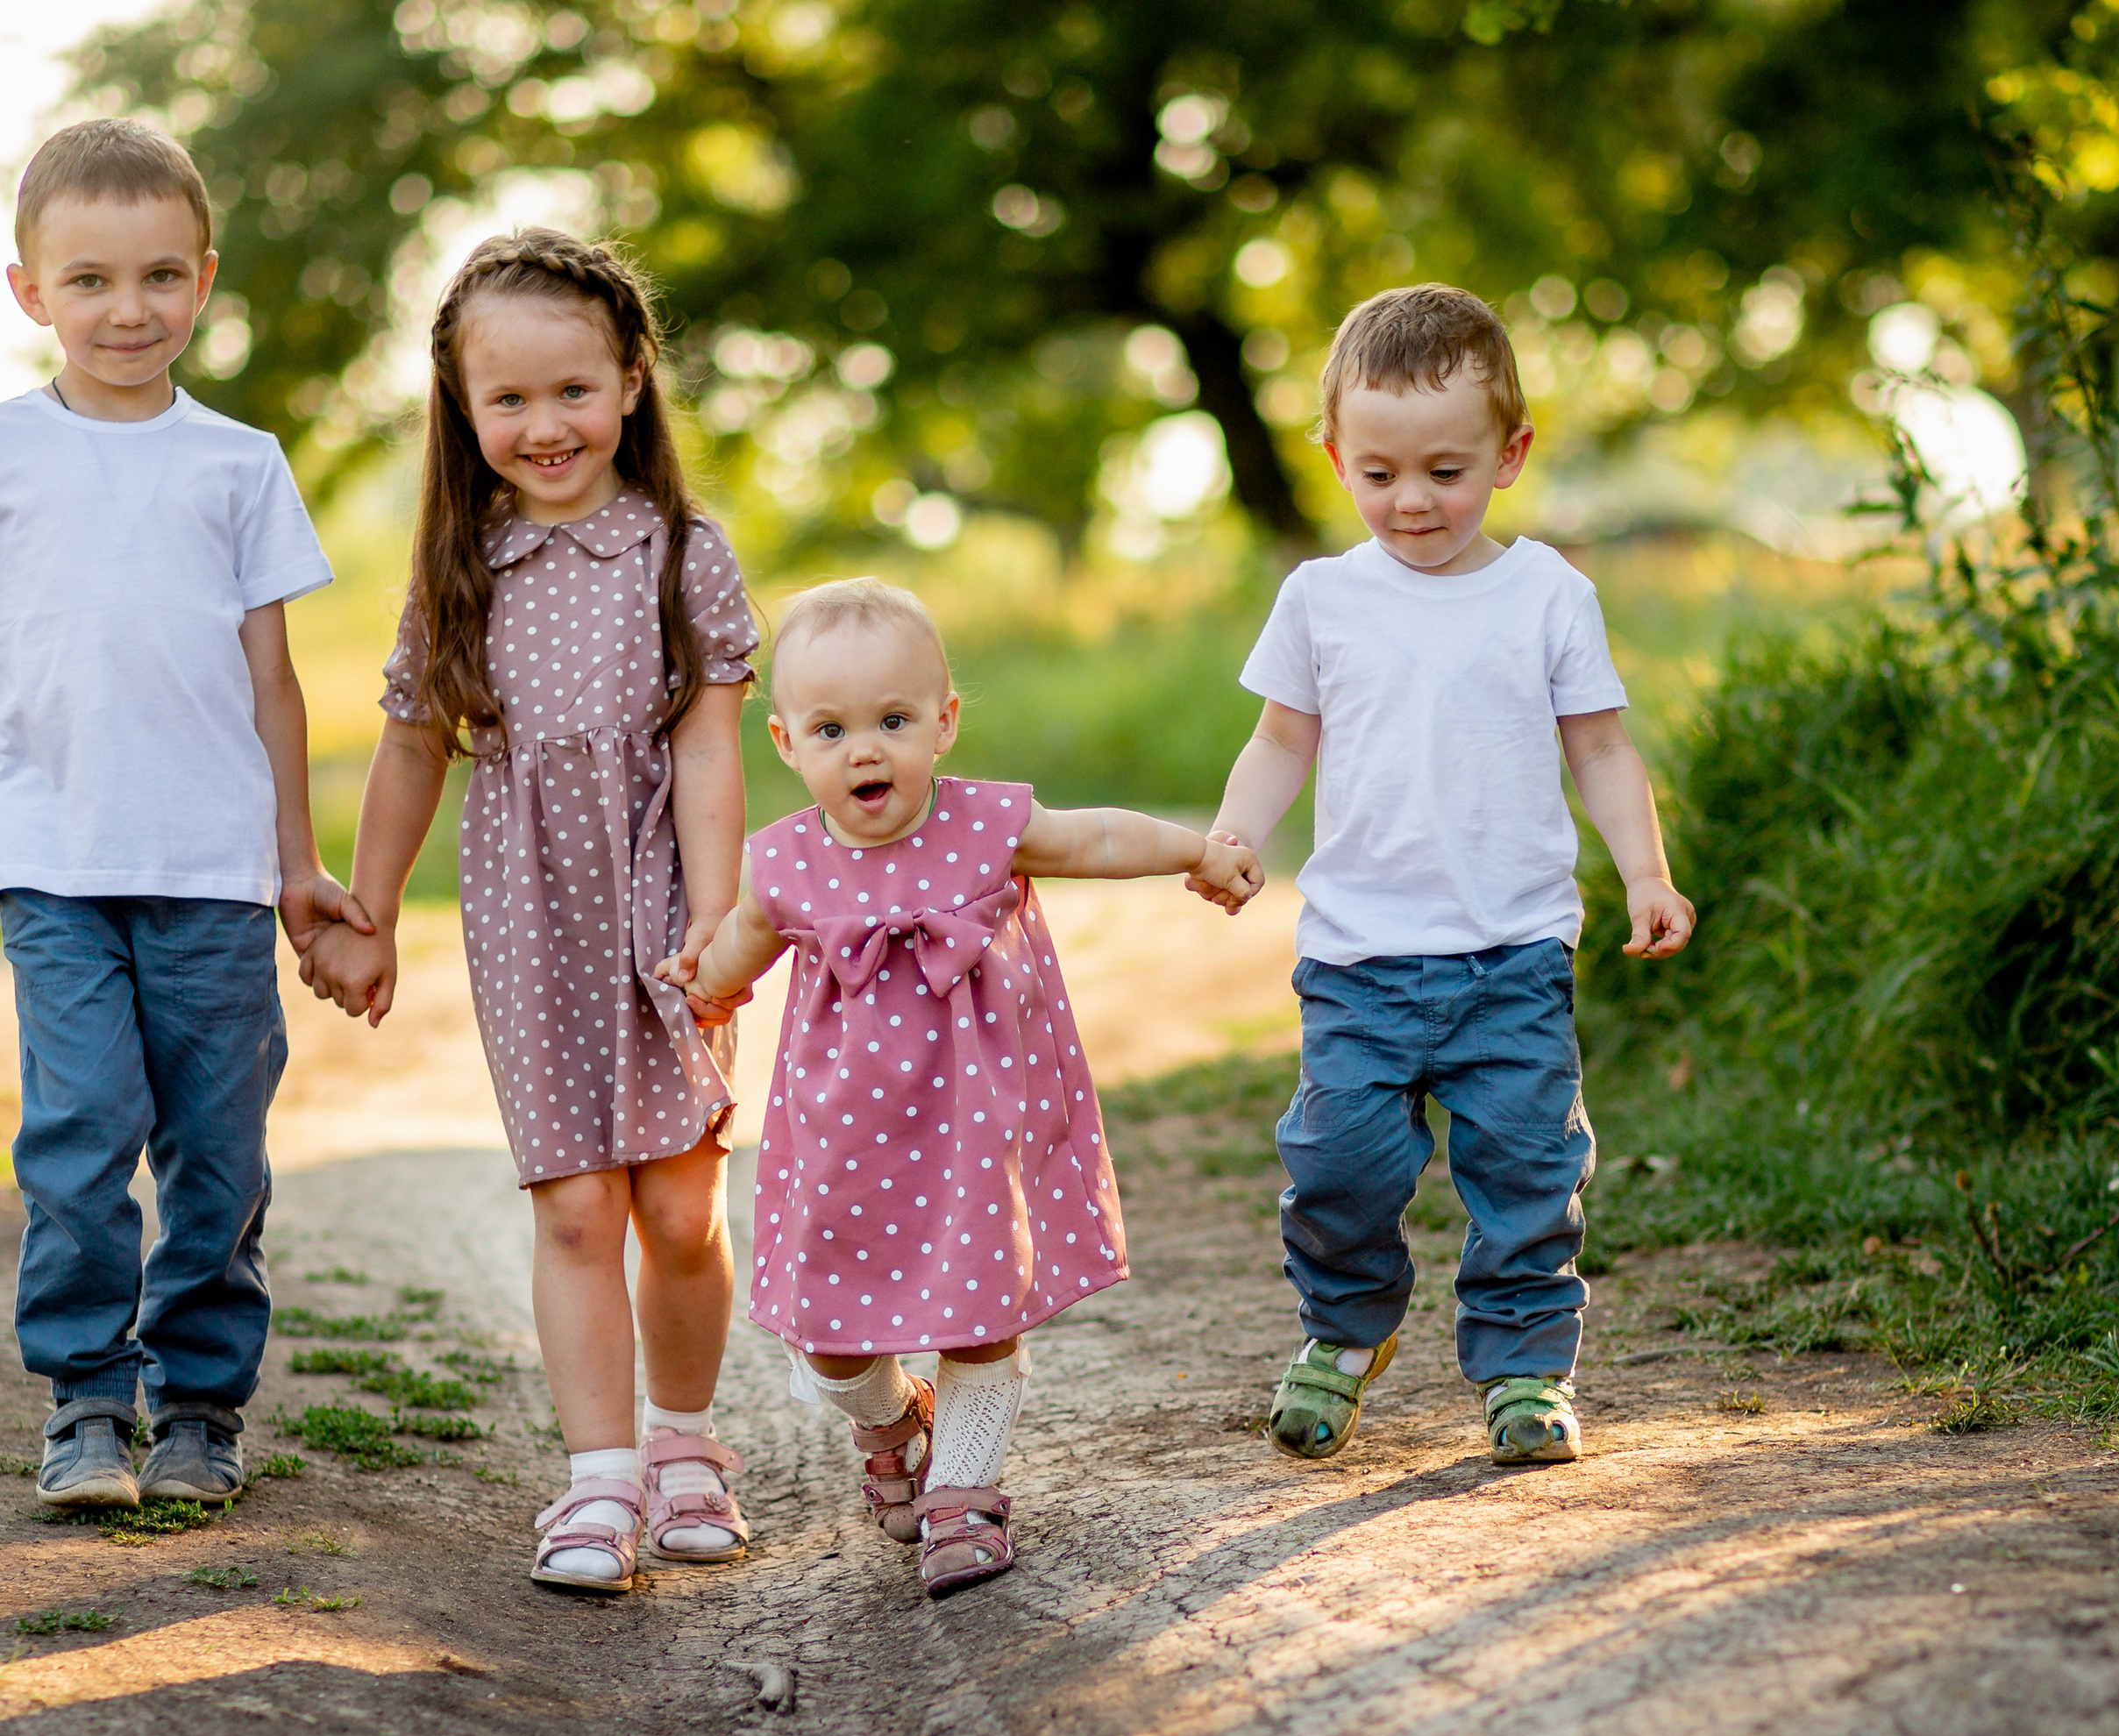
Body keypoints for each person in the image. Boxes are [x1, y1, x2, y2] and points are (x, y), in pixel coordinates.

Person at [302, 230, 757, 1593]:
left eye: (573, 390)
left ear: (630, 380)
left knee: (679, 1207)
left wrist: (724, 925)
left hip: (665, 901)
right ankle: (599, 1481)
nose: (544, 425)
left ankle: (686, 1448)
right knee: (573, 1211)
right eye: (509, 400)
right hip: (525, 918)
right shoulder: (462, 571)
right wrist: (366, 909)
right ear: (464, 410)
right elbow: (409, 746)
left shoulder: (682, 552)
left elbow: (713, 748)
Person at [661, 578, 1261, 1596]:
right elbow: (737, 953)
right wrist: (705, 986)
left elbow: (1095, 838)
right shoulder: (787, 862)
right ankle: (893, 1419)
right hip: (843, 1140)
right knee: (831, 1338)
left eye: (893, 721)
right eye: (832, 727)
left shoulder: (984, 824)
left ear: (942, 724)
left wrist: (1197, 850)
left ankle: (962, 1495)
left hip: (975, 1125)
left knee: (979, 1314)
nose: (865, 750)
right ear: (785, 742)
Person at [1199, 283, 1696, 1469]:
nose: (1412, 502)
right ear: (1334, 457)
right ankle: (1344, 1329)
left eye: (1444, 470)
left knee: (1527, 1169)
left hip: (1512, 954)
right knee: (1340, 1163)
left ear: (1510, 454)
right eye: (1378, 475)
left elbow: (1602, 747)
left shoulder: (1547, 596)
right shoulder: (1323, 598)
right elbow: (1281, 742)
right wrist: (1234, 834)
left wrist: (1647, 873)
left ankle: (1526, 1368)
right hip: (1360, 958)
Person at [2, 120, 362, 1510]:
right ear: (30, 291)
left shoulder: (238, 463)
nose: (127, 308)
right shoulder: (10, 456)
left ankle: (198, 1402)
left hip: (211, 872)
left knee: (215, 1145)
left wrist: (295, 867)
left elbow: (275, 685)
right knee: (81, 1132)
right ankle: (87, 1399)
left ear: (203, 281)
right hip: (51, 862)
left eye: (160, 276)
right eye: (88, 280)